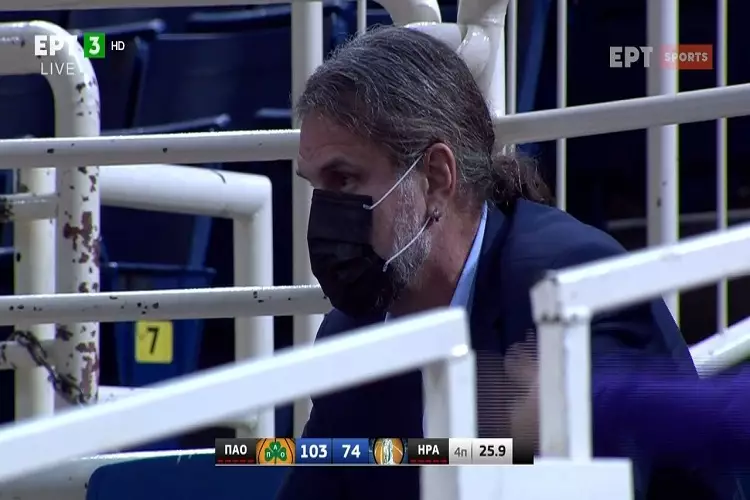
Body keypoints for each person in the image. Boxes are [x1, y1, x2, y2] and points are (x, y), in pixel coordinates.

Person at [276, 26, 740, 500]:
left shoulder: (569, 289)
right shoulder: (351, 335)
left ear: (436, 176)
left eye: (344, 179)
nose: (323, 214)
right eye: (317, 186)